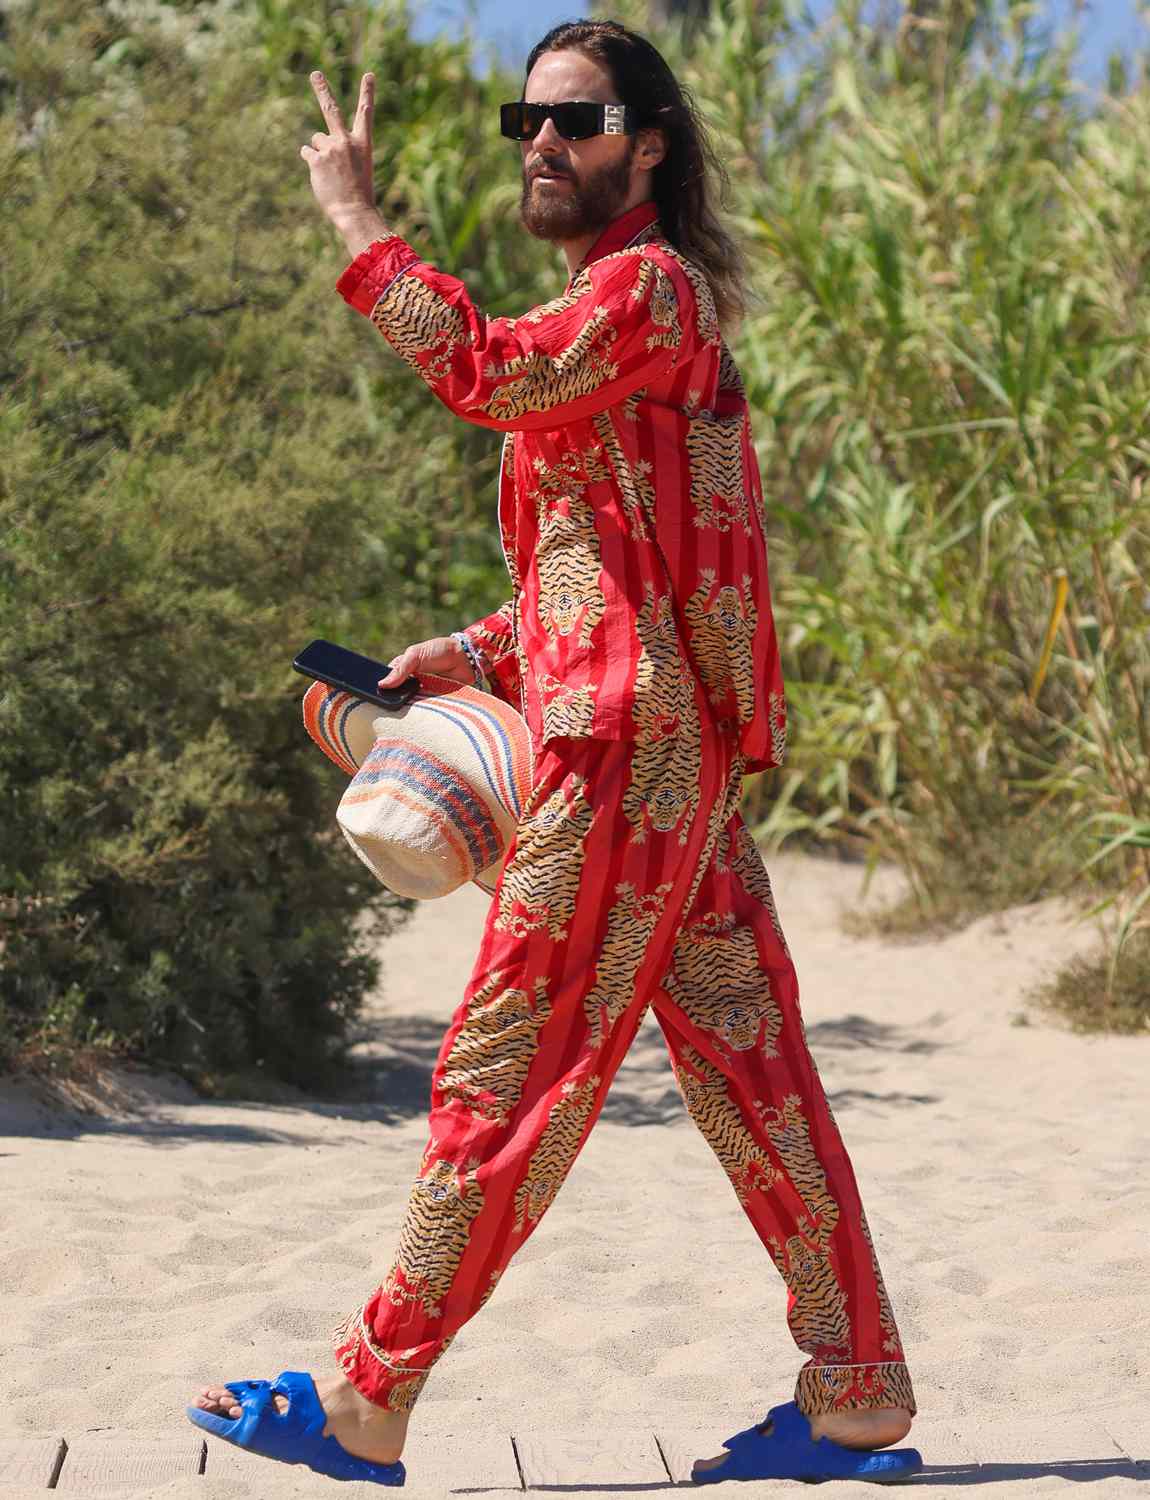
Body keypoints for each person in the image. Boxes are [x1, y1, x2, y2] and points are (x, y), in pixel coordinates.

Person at [191, 19, 920, 1486]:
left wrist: (356, 223)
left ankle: (366, 1396)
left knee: (507, 1066)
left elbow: (479, 369)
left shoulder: (641, 290)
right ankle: (854, 1392)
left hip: (622, 755)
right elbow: (617, 575)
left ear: (644, 145)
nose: (540, 140)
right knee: (752, 1072)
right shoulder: (637, 306)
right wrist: (470, 655)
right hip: (663, 749)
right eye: (525, 117)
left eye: (573, 121)